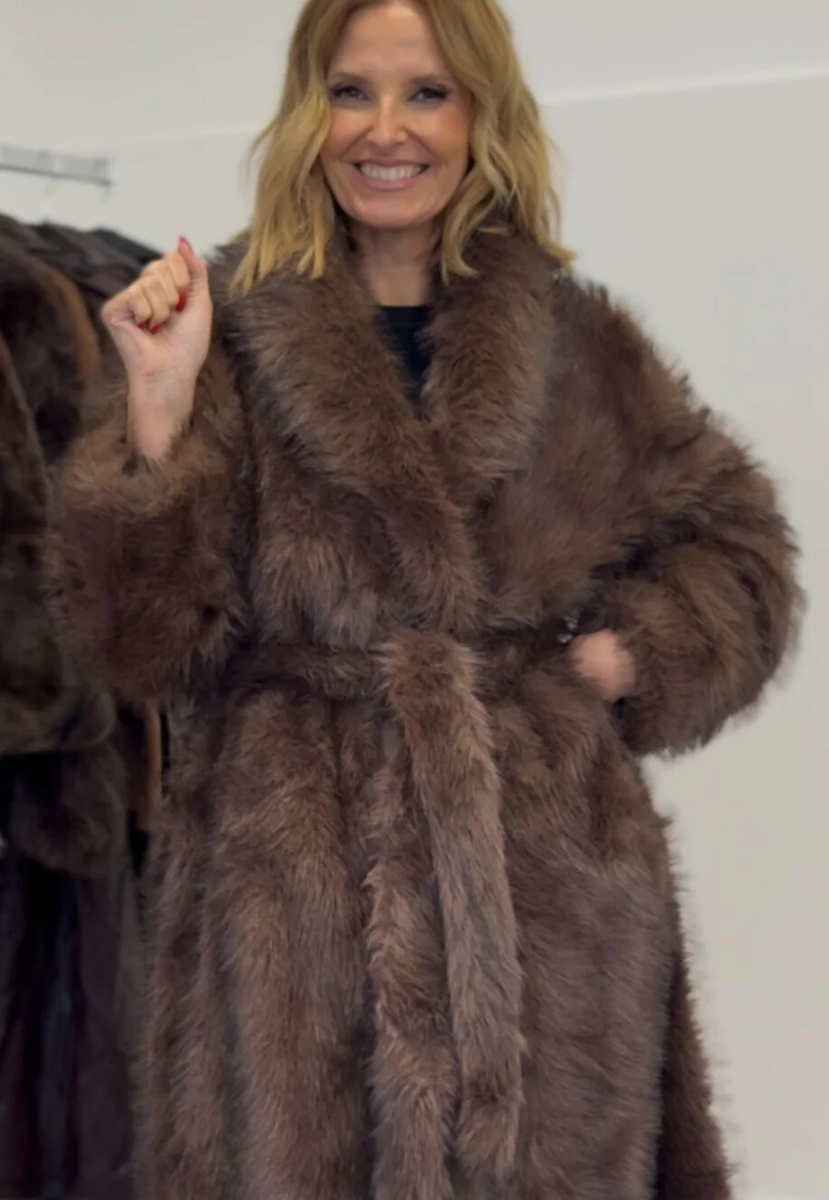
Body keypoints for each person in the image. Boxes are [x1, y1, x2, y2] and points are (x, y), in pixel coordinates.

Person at [50, 1, 799, 1197]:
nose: (385, 129)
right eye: (351, 91)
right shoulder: (215, 331)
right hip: (294, 914)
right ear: (308, 113)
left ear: (480, 116)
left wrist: (624, 657)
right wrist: (158, 407)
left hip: (546, 918)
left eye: (428, 93)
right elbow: (138, 647)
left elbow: (742, 553)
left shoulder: (576, 342)